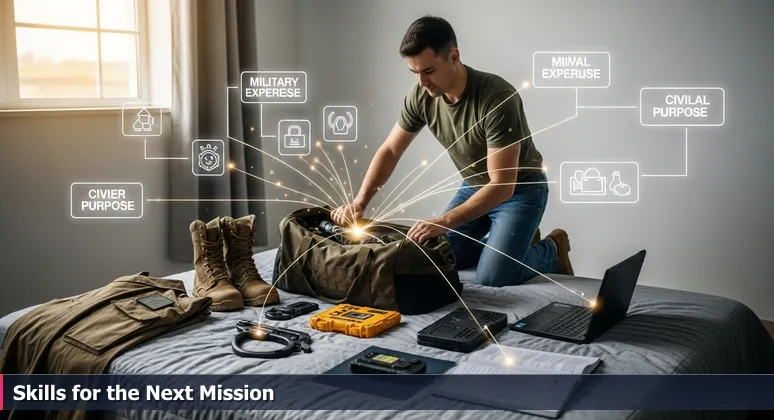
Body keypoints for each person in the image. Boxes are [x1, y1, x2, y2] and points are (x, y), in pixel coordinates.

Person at [331, 15, 573, 286]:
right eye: (415, 73)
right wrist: (359, 202)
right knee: (434, 258)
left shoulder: (497, 98)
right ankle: (509, 248)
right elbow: (390, 150)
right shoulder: (421, 96)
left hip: (519, 190)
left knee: (493, 276)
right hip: (474, 186)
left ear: (454, 56)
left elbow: (502, 185)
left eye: (428, 71)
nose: (422, 82)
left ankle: (553, 249)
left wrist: (444, 221)